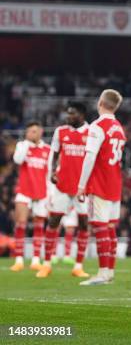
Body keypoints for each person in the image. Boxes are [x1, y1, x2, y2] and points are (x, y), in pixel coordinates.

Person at [77, 89, 126, 286]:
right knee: (111, 228)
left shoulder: (97, 127)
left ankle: (103, 273)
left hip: (100, 184)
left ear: (100, 102)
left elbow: (90, 156)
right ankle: (110, 272)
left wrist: (81, 185)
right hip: (115, 183)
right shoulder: (119, 127)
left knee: (100, 227)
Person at [37, 102, 90, 278]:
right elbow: (54, 153)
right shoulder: (61, 131)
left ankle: (78, 266)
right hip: (62, 185)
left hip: (83, 188)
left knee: (83, 225)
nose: (69, 116)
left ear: (82, 114)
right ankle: (46, 264)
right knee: (53, 221)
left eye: (72, 113)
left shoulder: (92, 133)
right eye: (68, 113)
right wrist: (52, 172)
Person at [10, 122, 50, 272]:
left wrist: (50, 195)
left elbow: (50, 172)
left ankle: (35, 260)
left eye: (33, 131)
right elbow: (18, 160)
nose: (31, 134)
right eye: (28, 132)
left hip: (41, 192)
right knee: (21, 223)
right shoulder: (22, 146)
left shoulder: (47, 149)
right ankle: (19, 259)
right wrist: (27, 143)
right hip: (24, 191)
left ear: (40, 132)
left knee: (39, 225)